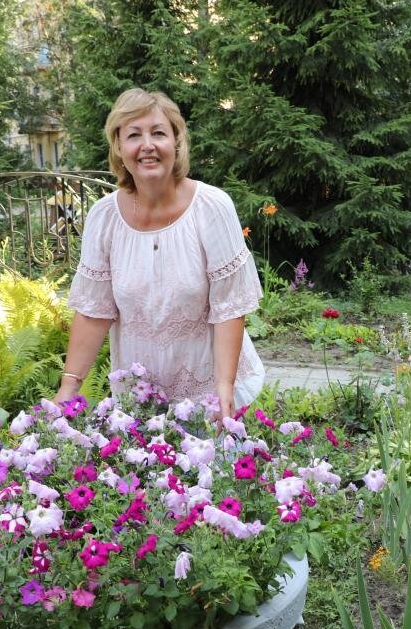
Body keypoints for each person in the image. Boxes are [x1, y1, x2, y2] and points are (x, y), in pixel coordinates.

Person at [55, 88, 264, 418]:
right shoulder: (103, 216)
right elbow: (95, 311)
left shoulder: (211, 207)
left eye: (158, 133)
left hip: (208, 393)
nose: (147, 145)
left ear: (177, 143)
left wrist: (224, 390)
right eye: (134, 135)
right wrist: (69, 387)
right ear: (119, 147)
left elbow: (229, 308)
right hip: (139, 401)